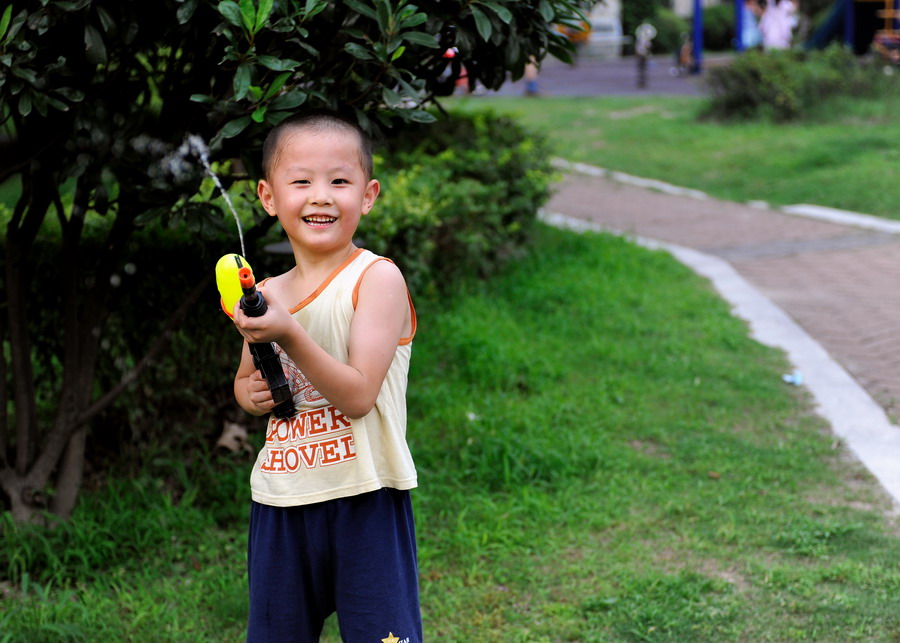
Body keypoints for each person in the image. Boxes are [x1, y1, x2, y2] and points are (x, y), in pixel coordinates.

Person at [231, 111, 422, 643]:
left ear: (368, 194)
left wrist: (289, 332)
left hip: (365, 497)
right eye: (302, 181)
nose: (321, 196)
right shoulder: (265, 292)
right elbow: (247, 386)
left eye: (339, 181)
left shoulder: (376, 279)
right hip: (282, 499)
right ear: (269, 198)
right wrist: (251, 394)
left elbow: (359, 394)